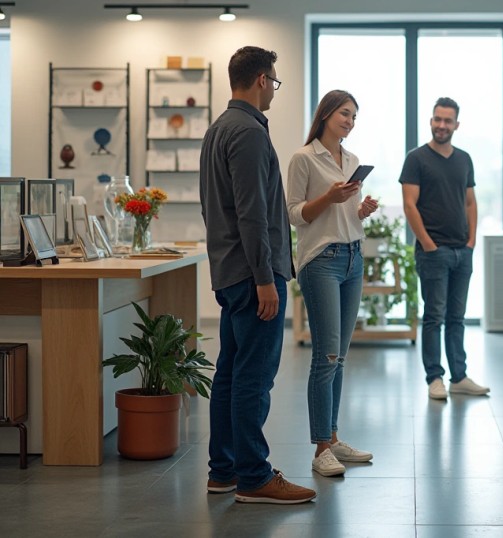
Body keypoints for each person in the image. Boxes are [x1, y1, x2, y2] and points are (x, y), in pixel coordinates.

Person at [200, 46, 316, 504]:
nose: (274, 91)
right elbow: (252, 214)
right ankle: (254, 476)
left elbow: (221, 208)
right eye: (275, 81)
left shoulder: (217, 130)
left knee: (230, 373)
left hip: (231, 273)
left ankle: (223, 471)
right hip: (253, 277)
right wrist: (266, 279)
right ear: (262, 80)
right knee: (253, 376)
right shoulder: (247, 132)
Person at [287, 90, 379, 477]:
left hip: (352, 258)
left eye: (355, 116)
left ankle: (334, 437)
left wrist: (361, 211)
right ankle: (321, 447)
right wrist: (329, 196)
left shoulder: (352, 160)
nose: (350, 121)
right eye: (345, 113)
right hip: (320, 262)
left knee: (339, 356)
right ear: (325, 114)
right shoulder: (303, 158)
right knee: (325, 356)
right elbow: (295, 215)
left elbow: (344, 218)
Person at [399, 97, 490, 400]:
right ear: (431, 121)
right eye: (437, 119)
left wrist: (471, 240)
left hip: (462, 251)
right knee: (434, 316)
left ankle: (459, 377)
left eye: (447, 121)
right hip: (433, 252)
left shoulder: (464, 159)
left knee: (457, 317)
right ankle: (434, 378)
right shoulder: (416, 158)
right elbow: (409, 204)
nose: (442, 125)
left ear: (456, 125)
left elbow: (470, 202)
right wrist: (428, 244)